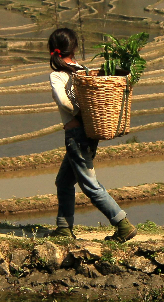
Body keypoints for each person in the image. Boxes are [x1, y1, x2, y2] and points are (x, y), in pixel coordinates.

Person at [47, 28, 137, 242]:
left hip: (76, 135)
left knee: (89, 184)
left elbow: (64, 102)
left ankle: (123, 224)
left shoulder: (58, 75)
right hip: (88, 133)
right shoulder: (83, 71)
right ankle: (64, 228)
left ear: (52, 50)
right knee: (64, 181)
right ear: (75, 48)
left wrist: (77, 113)